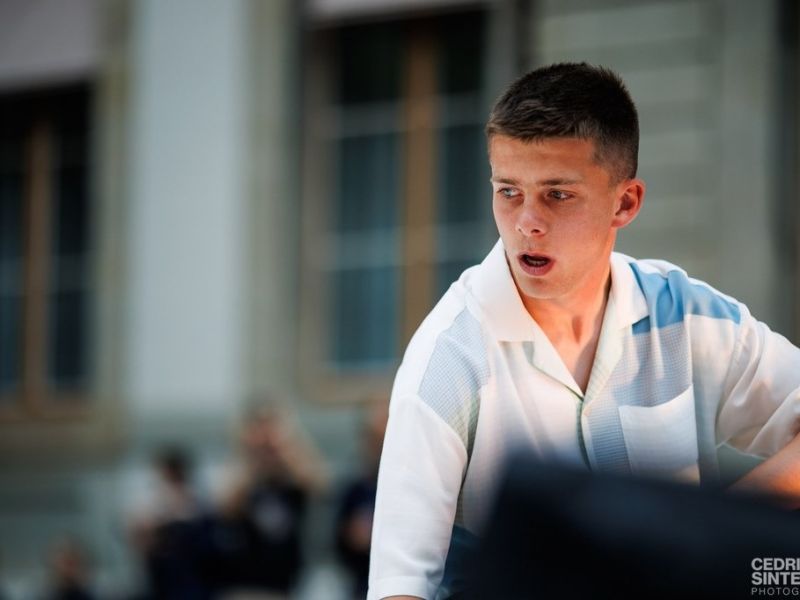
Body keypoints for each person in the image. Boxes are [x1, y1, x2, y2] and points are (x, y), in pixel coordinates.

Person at [366, 62, 800, 600]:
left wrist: (700, 528)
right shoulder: (448, 358)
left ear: (625, 202)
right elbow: (400, 585)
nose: (527, 222)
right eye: (508, 191)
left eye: (557, 194)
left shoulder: (689, 317)